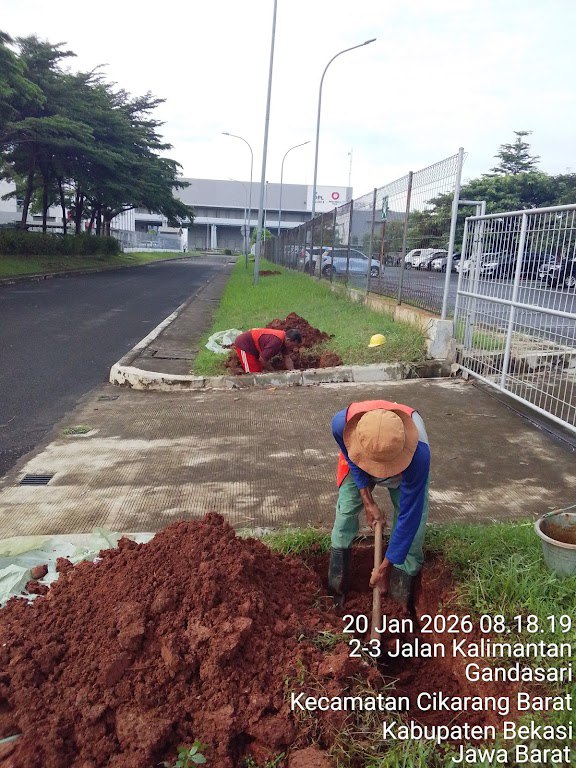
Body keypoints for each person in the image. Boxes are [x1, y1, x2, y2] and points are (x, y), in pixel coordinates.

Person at [329, 399, 430, 609]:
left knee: (414, 532)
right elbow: (351, 460)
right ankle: (336, 598)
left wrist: (385, 567)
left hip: (405, 470)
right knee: (345, 513)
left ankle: (398, 603)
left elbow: (409, 516)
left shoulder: (419, 452)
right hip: (360, 460)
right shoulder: (341, 424)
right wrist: (368, 502)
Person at [233, 328, 302, 373]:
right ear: (288, 340)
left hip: (254, 347)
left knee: (259, 371)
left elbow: (287, 358)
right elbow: (262, 359)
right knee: (253, 373)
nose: (293, 348)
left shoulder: (284, 340)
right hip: (245, 345)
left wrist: (293, 373)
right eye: (293, 345)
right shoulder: (276, 342)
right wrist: (273, 372)